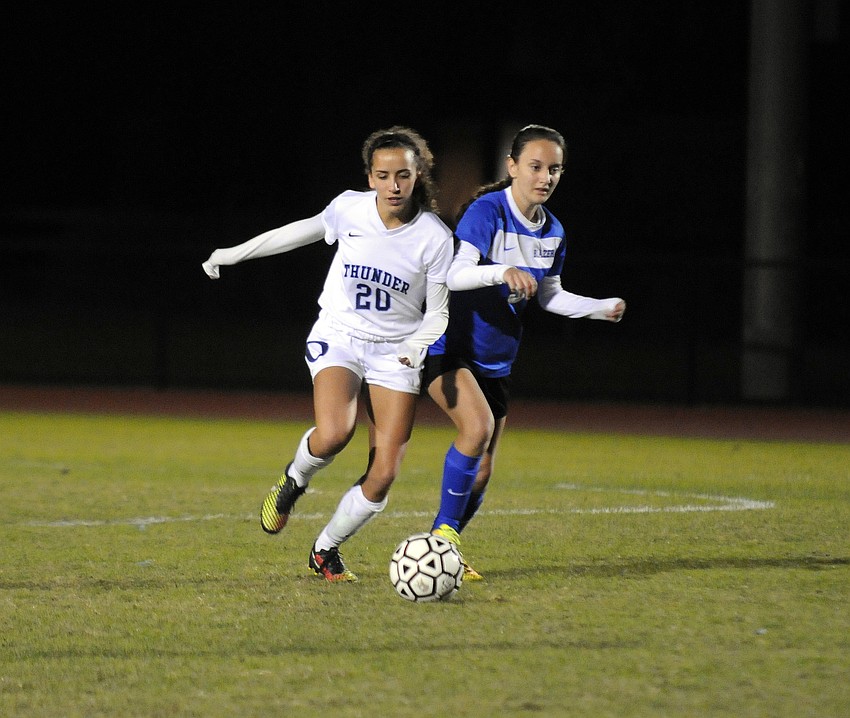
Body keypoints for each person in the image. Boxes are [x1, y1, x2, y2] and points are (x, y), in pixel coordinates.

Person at [202, 126, 454, 582]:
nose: (393, 185)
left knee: (384, 473)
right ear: (369, 176)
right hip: (339, 335)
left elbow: (437, 314)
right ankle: (294, 479)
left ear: (419, 175)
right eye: (383, 175)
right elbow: (299, 232)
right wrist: (234, 253)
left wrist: (415, 347)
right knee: (336, 432)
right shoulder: (349, 208)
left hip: (395, 352)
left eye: (403, 175)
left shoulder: (434, 237)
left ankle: (325, 549)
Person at [422, 124, 626, 580]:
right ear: (512, 167)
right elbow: (457, 276)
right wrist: (502, 272)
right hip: (450, 346)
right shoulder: (486, 212)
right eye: (535, 166)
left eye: (554, 169)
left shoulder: (553, 230)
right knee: (477, 430)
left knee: (483, 470)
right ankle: (440, 543)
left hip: (498, 358)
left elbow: (549, 295)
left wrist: (598, 308)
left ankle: (443, 545)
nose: (545, 176)